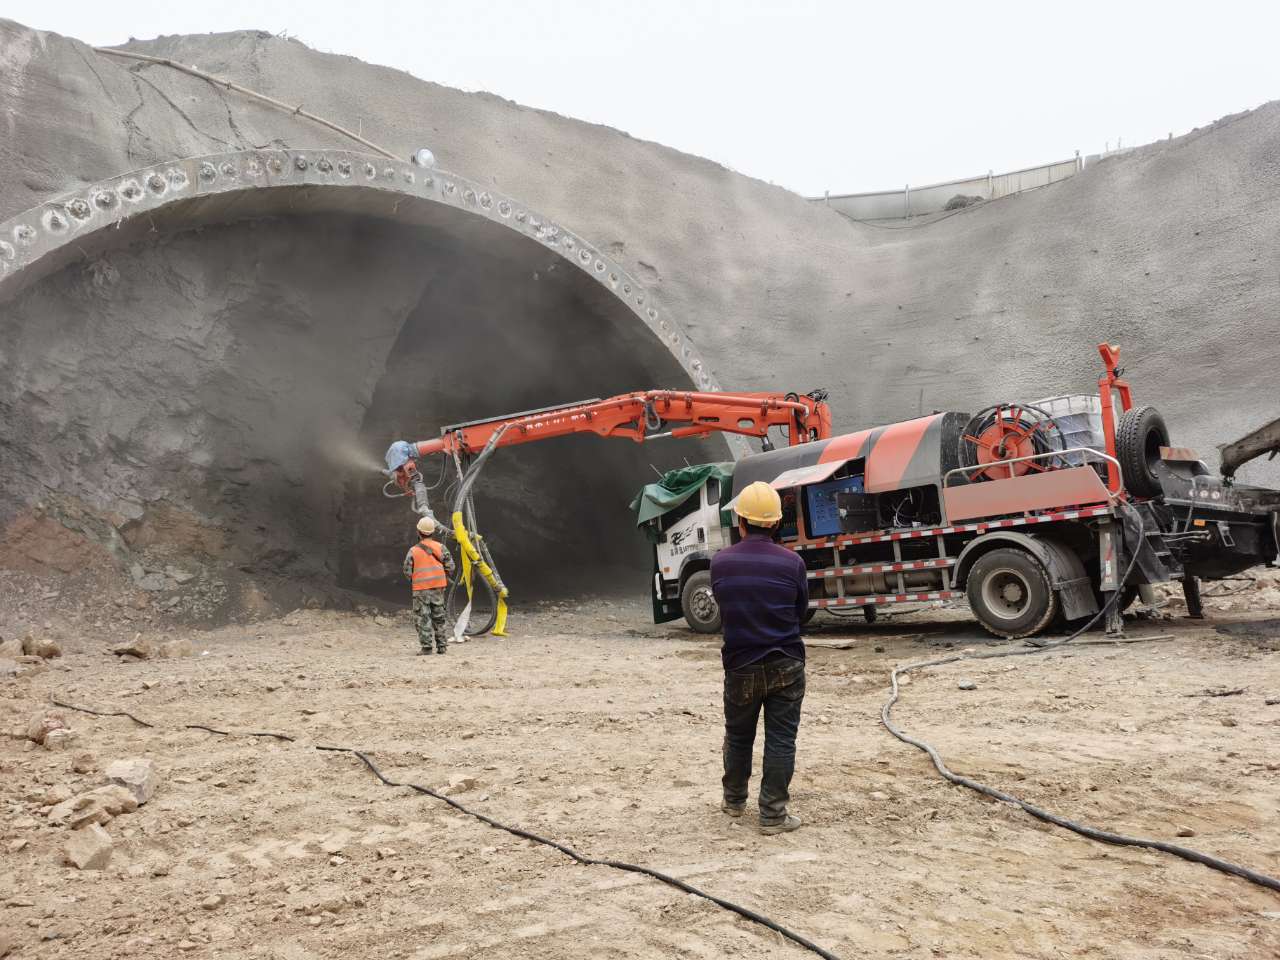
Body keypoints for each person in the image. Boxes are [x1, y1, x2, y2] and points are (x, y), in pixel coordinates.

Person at [709, 481, 808, 835]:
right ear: (776, 522)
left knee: (738, 736)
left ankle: (734, 801)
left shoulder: (720, 563)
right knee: (781, 740)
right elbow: (801, 611)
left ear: (741, 521)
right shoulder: (792, 562)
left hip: (740, 664)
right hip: (786, 662)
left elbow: (725, 609)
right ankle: (772, 816)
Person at [403, 516, 456, 655]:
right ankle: (442, 646)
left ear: (418, 532)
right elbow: (450, 567)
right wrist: (442, 577)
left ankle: (426, 647)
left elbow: (407, 571)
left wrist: (416, 580)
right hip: (438, 588)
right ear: (433, 532)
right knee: (439, 616)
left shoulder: (413, 551)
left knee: (422, 617)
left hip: (421, 590)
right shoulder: (441, 547)